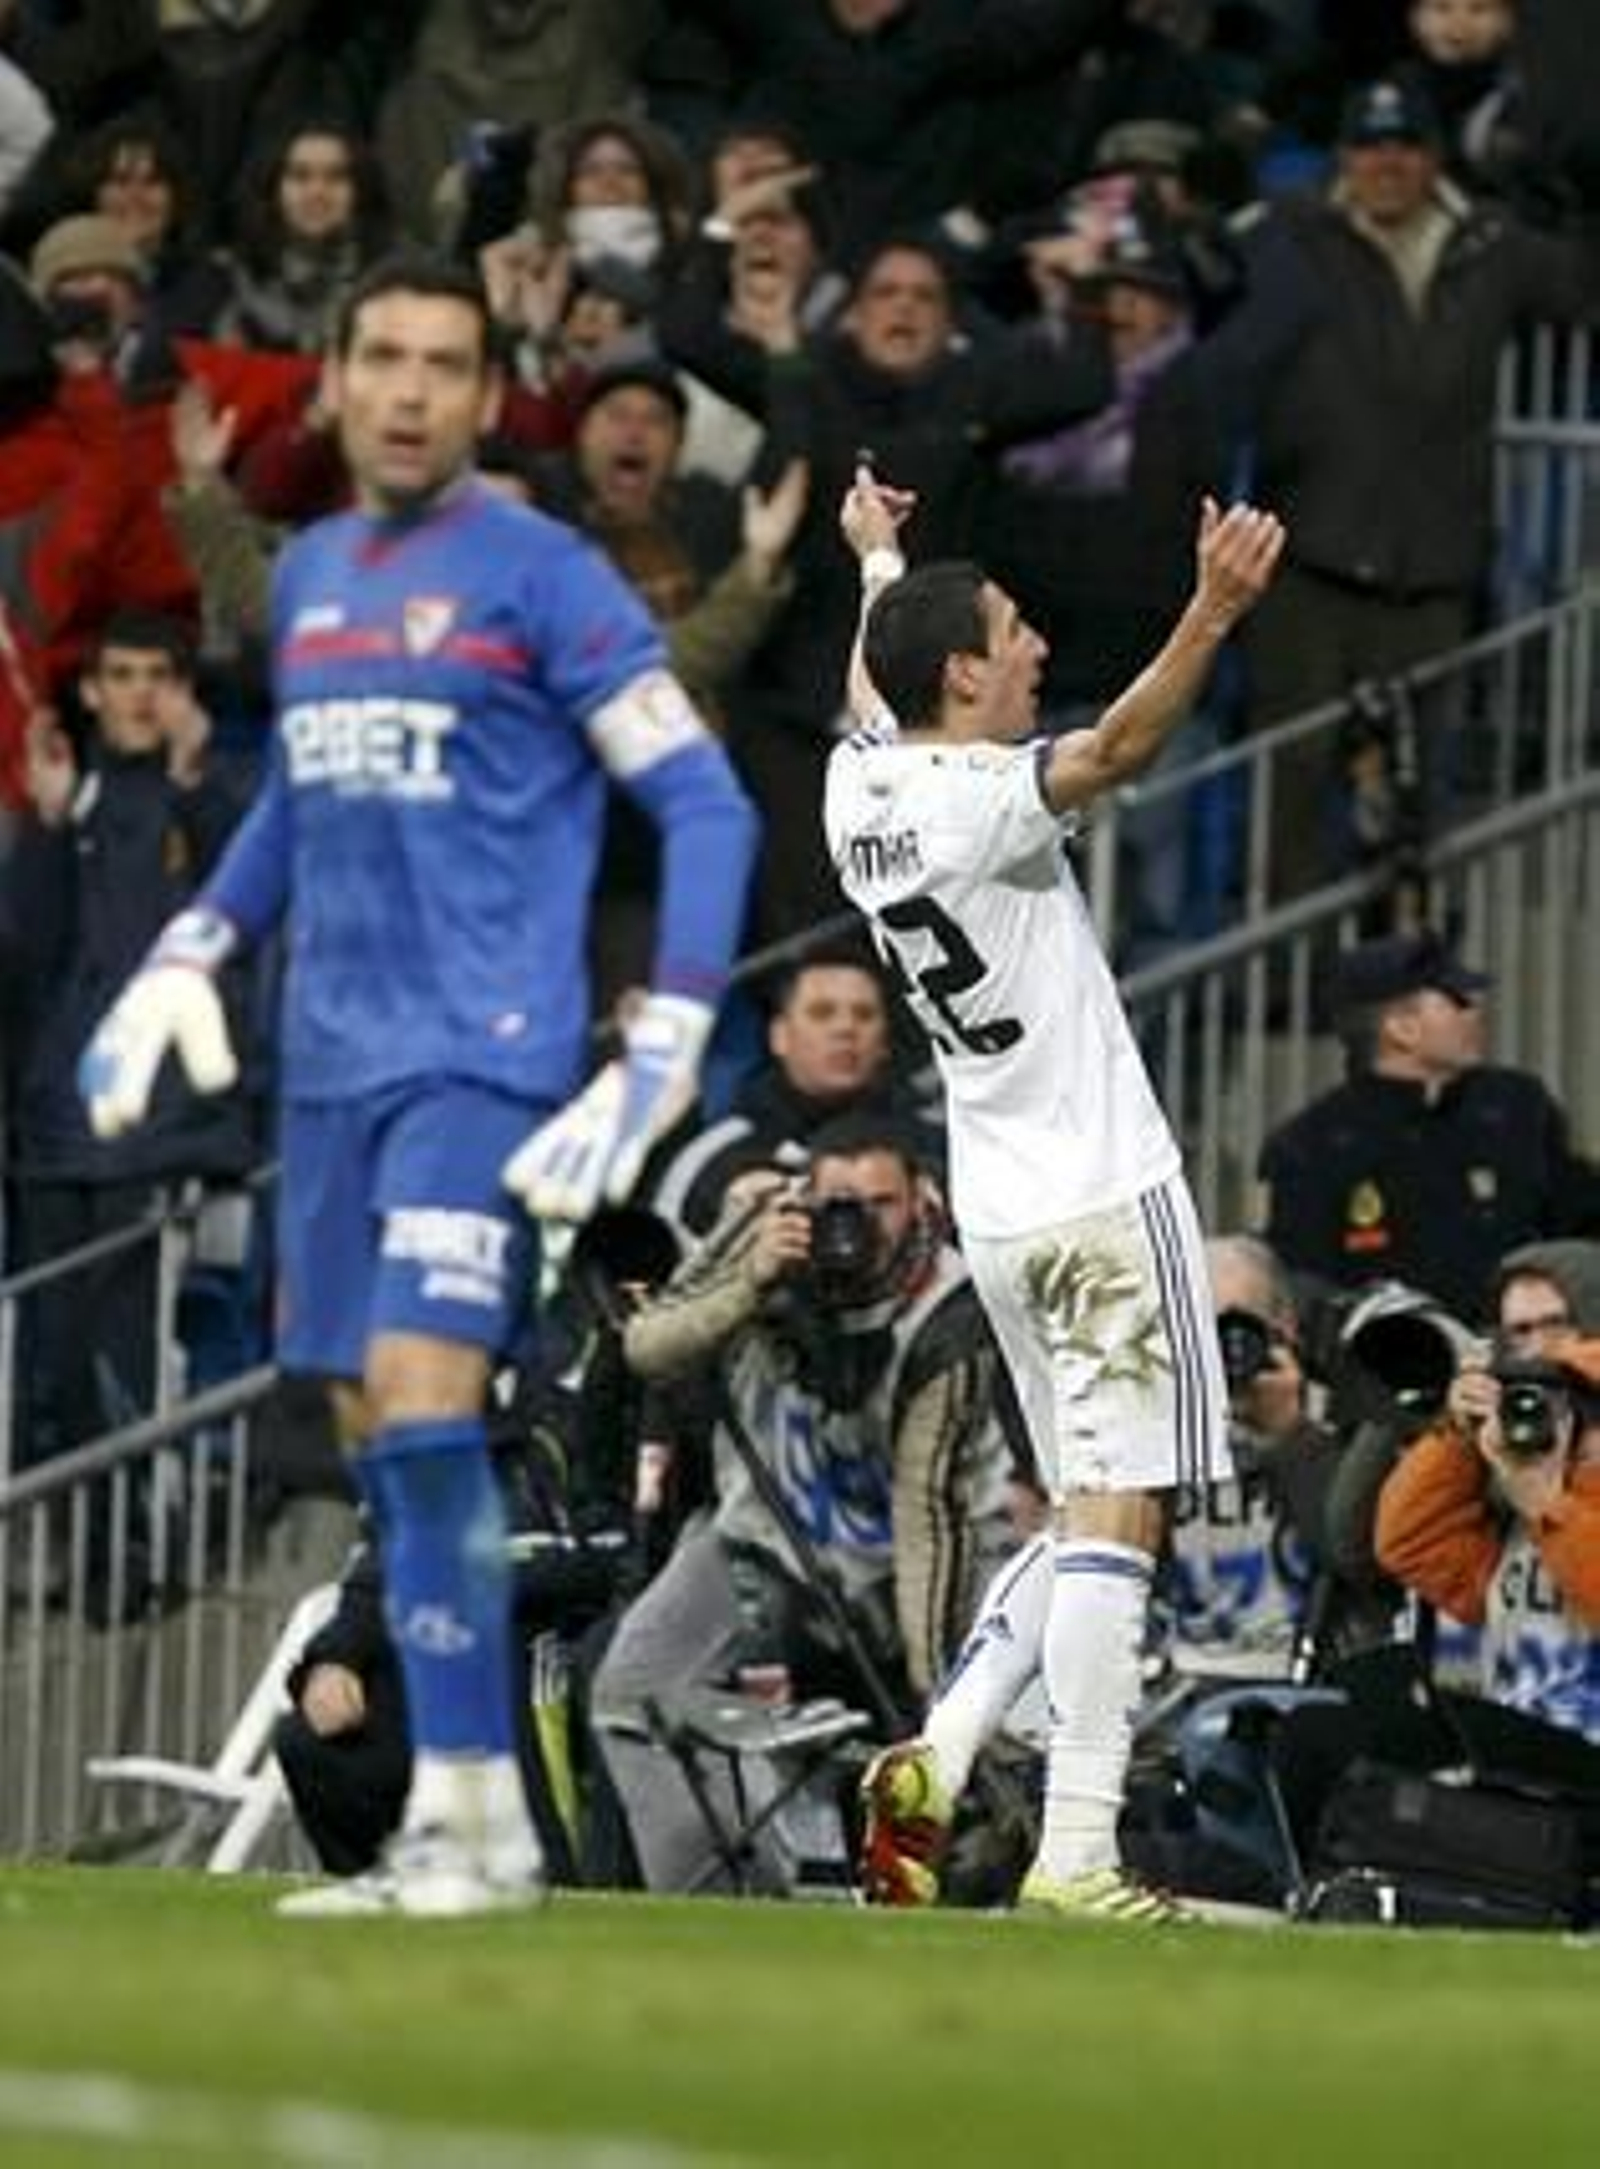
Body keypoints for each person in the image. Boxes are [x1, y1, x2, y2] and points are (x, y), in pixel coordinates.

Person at [76, 253, 759, 1918]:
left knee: (429, 1390)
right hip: (330, 1073)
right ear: (335, 377)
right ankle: (461, 1817)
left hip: (485, 1056)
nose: (404, 388)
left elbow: (710, 804)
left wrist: (662, 1032)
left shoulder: (547, 576)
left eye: (441, 363)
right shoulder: (307, 574)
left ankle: (474, 1829)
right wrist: (190, 948)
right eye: (378, 356)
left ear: (479, 392)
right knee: (387, 1426)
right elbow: (295, 803)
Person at [825, 462, 1284, 1920]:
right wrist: (1210, 612)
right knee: (1124, 1504)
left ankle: (945, 1750)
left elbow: (869, 687)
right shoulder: (976, 800)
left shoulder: (862, 787)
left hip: (1004, 1208)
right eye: (1013, 633)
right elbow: (1119, 747)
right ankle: (1079, 1851)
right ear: (965, 675)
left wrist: (875, 564)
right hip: (1096, 1187)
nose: (1035, 648)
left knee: (1090, 1502)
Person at [591, 1111, 1014, 1894]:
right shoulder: (764, 1223)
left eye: (881, 1204)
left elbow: (931, 1514)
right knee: (631, 1688)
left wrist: (939, 1709)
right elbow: (648, 1344)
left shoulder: (951, 1311)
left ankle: (988, 1872)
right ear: (801, 1194)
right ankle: (711, 1901)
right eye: (835, 1203)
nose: (855, 1226)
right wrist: (750, 1280)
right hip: (768, 1539)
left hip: (922, 1556)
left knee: (984, 1726)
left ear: (923, 1200)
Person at [1257, 927, 1600, 1322]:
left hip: (1525, 1359)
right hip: (1388, 1371)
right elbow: (1305, 1286)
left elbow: (1579, 1223)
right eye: (1455, 1000)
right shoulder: (1311, 1146)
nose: (1473, 1011)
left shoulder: (1518, 1106)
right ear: (1402, 1028)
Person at [645, 944, 943, 1241]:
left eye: (864, 1015)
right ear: (779, 1035)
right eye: (821, 1013)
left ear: (884, 1042)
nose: (845, 1028)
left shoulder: (937, 1142)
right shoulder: (718, 1153)